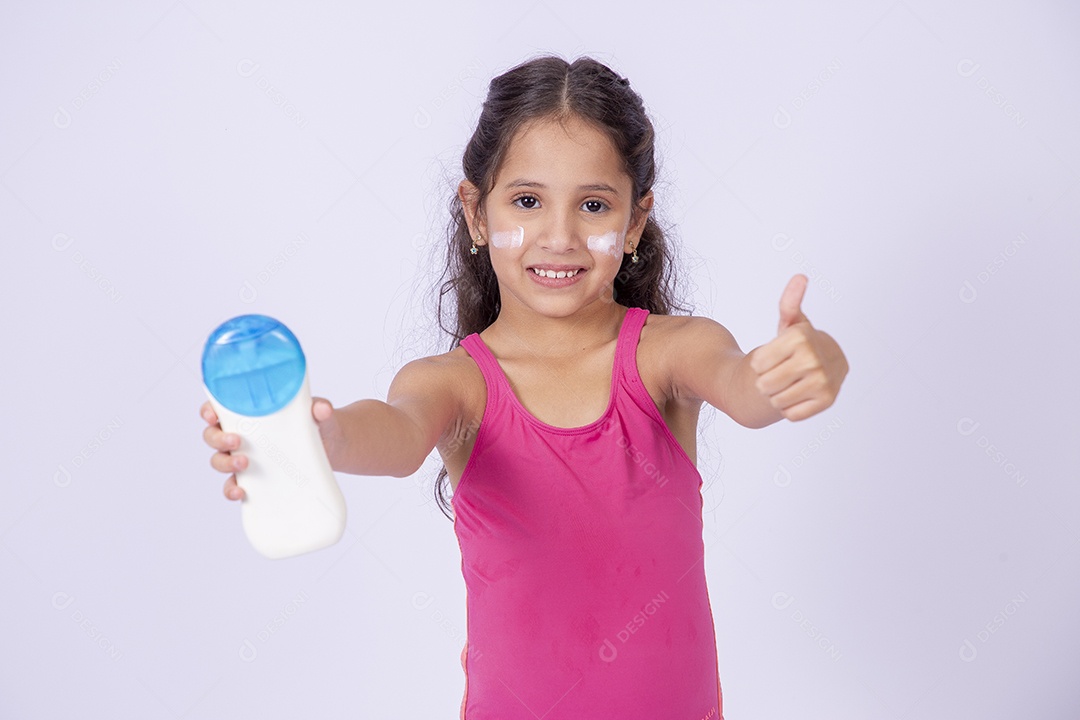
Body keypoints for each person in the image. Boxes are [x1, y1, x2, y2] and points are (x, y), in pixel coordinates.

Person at [200, 53, 848, 720]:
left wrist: (801, 364)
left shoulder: (670, 352)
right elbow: (396, 434)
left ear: (633, 222)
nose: (559, 237)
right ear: (477, 213)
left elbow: (745, 386)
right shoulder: (456, 384)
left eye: (593, 205)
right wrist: (320, 436)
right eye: (528, 201)